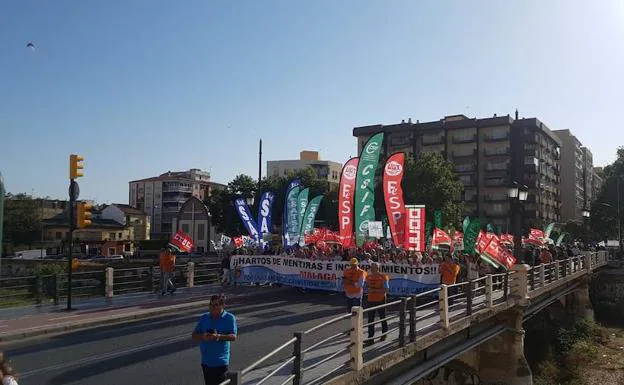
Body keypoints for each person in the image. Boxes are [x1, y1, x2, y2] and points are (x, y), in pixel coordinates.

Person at [192, 294, 238, 385]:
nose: (212, 307)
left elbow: (233, 337)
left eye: (215, 305)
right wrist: (203, 336)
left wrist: (218, 337)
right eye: (210, 304)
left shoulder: (229, 318)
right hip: (206, 361)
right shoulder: (204, 317)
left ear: (222, 305)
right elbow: (194, 335)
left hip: (220, 362)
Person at [364, 262, 389, 346]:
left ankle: (384, 334)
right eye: (371, 267)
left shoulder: (383, 277)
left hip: (380, 299)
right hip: (370, 299)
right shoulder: (368, 277)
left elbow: (386, 289)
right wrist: (367, 289)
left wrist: (374, 290)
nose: (371, 268)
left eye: (373, 267)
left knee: (382, 317)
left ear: (377, 268)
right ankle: (370, 338)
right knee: (370, 319)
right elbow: (365, 287)